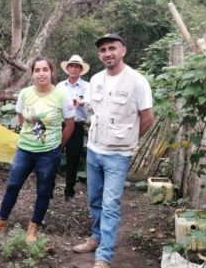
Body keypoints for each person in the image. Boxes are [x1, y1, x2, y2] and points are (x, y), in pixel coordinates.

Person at [72, 34, 154, 268]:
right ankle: (97, 238)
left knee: (110, 204)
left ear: (123, 51)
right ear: (99, 55)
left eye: (112, 49)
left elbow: (147, 118)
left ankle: (104, 256)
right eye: (103, 50)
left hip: (118, 154)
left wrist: (129, 139)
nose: (107, 53)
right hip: (95, 150)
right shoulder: (96, 79)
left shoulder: (137, 82)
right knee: (95, 199)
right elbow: (92, 110)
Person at [0, 56, 75, 243]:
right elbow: (22, 118)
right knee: (13, 185)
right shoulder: (25, 93)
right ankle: (0, 221)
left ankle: (33, 228)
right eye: (37, 70)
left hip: (48, 153)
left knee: (43, 190)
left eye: (45, 69)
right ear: (32, 74)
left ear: (51, 72)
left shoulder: (61, 95)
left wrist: (58, 146)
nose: (41, 73)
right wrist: (31, 135)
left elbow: (70, 124)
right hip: (25, 149)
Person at [56, 55, 90, 202]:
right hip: (60, 125)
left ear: (81, 69)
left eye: (77, 66)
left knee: (73, 159)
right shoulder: (60, 86)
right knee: (53, 156)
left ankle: (69, 192)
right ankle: (49, 188)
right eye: (72, 66)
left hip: (76, 126)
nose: (74, 69)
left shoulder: (87, 86)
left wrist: (81, 102)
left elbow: (90, 102)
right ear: (67, 68)